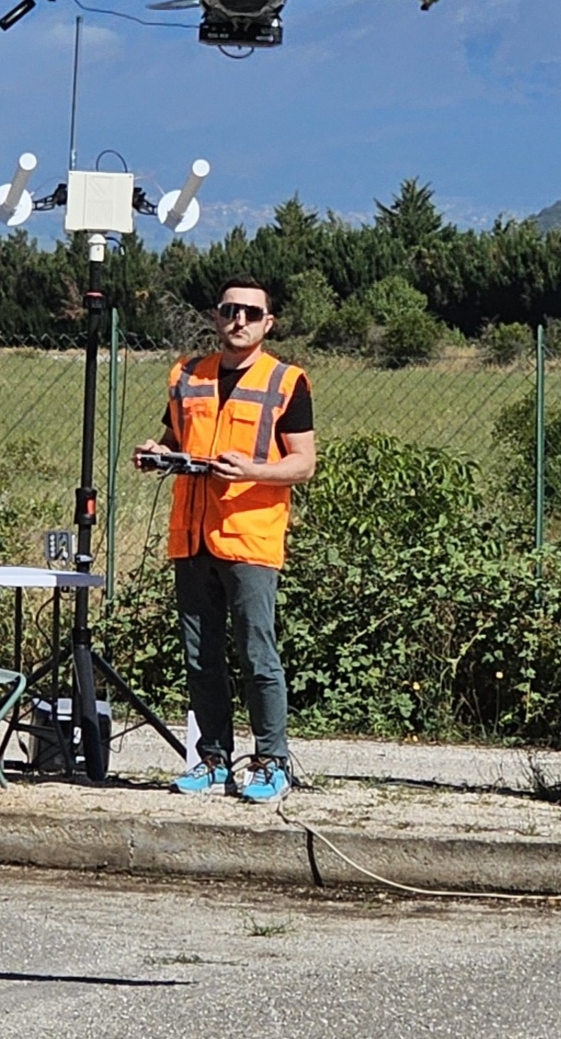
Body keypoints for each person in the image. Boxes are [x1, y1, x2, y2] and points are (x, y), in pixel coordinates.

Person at [136, 276, 317, 803]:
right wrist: (156, 452)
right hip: (192, 535)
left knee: (257, 653)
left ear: (268, 323)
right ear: (216, 316)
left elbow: (303, 464)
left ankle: (271, 761)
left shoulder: (287, 381)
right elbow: (176, 439)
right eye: (229, 310)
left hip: (250, 537)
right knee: (201, 656)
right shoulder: (187, 376)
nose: (239, 320)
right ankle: (212, 759)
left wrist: (252, 470)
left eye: (250, 313)